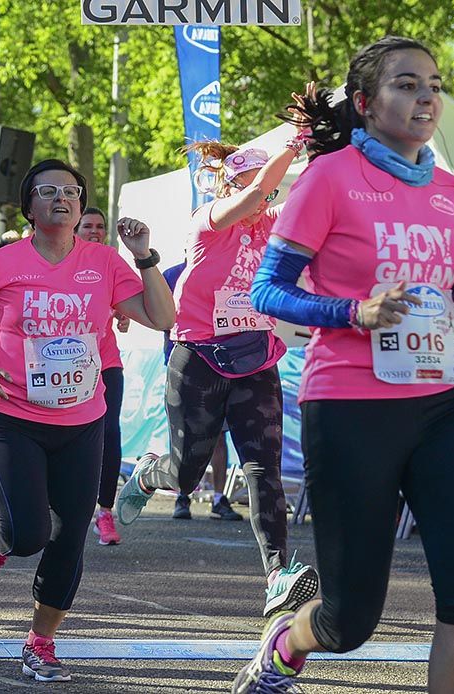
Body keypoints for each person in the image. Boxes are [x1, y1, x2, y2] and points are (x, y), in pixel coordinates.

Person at [232, 36, 454, 693]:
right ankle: (287, 644)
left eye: (434, 84)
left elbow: (442, 310)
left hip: (444, 401)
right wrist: (353, 312)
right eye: (406, 84)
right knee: (349, 618)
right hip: (351, 406)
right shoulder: (329, 178)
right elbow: (267, 292)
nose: (426, 97)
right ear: (364, 103)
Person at [0, 159, 174, 683]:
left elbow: (163, 318)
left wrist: (145, 258)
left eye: (71, 191)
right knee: (30, 533)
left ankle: (40, 641)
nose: (62, 199)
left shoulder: (105, 262)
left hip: (81, 418)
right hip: (10, 415)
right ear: (29, 206)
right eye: (48, 191)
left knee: (69, 537)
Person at [115, 86, 322, 620]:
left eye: (264, 184)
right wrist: (295, 142)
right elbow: (254, 199)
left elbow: (310, 209)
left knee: (264, 471)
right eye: (250, 182)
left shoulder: (274, 226)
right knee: (188, 474)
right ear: (232, 183)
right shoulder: (207, 220)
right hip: (199, 358)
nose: (262, 193)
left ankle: (277, 574)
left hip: (256, 358)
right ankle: (147, 474)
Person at [161, 260, 239, 521]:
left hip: (222, 366)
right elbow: (161, 316)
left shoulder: (226, 270)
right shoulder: (172, 275)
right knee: (184, 437)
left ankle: (219, 499)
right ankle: (182, 496)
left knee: (218, 435)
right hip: (183, 366)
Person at [76, 206, 128, 545]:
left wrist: (123, 313)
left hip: (106, 361)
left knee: (109, 431)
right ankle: (63, 506)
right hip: (66, 366)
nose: (95, 231)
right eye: (88, 226)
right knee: (72, 436)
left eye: (100, 226)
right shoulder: (59, 259)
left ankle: (104, 512)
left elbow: (127, 297)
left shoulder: (110, 260)